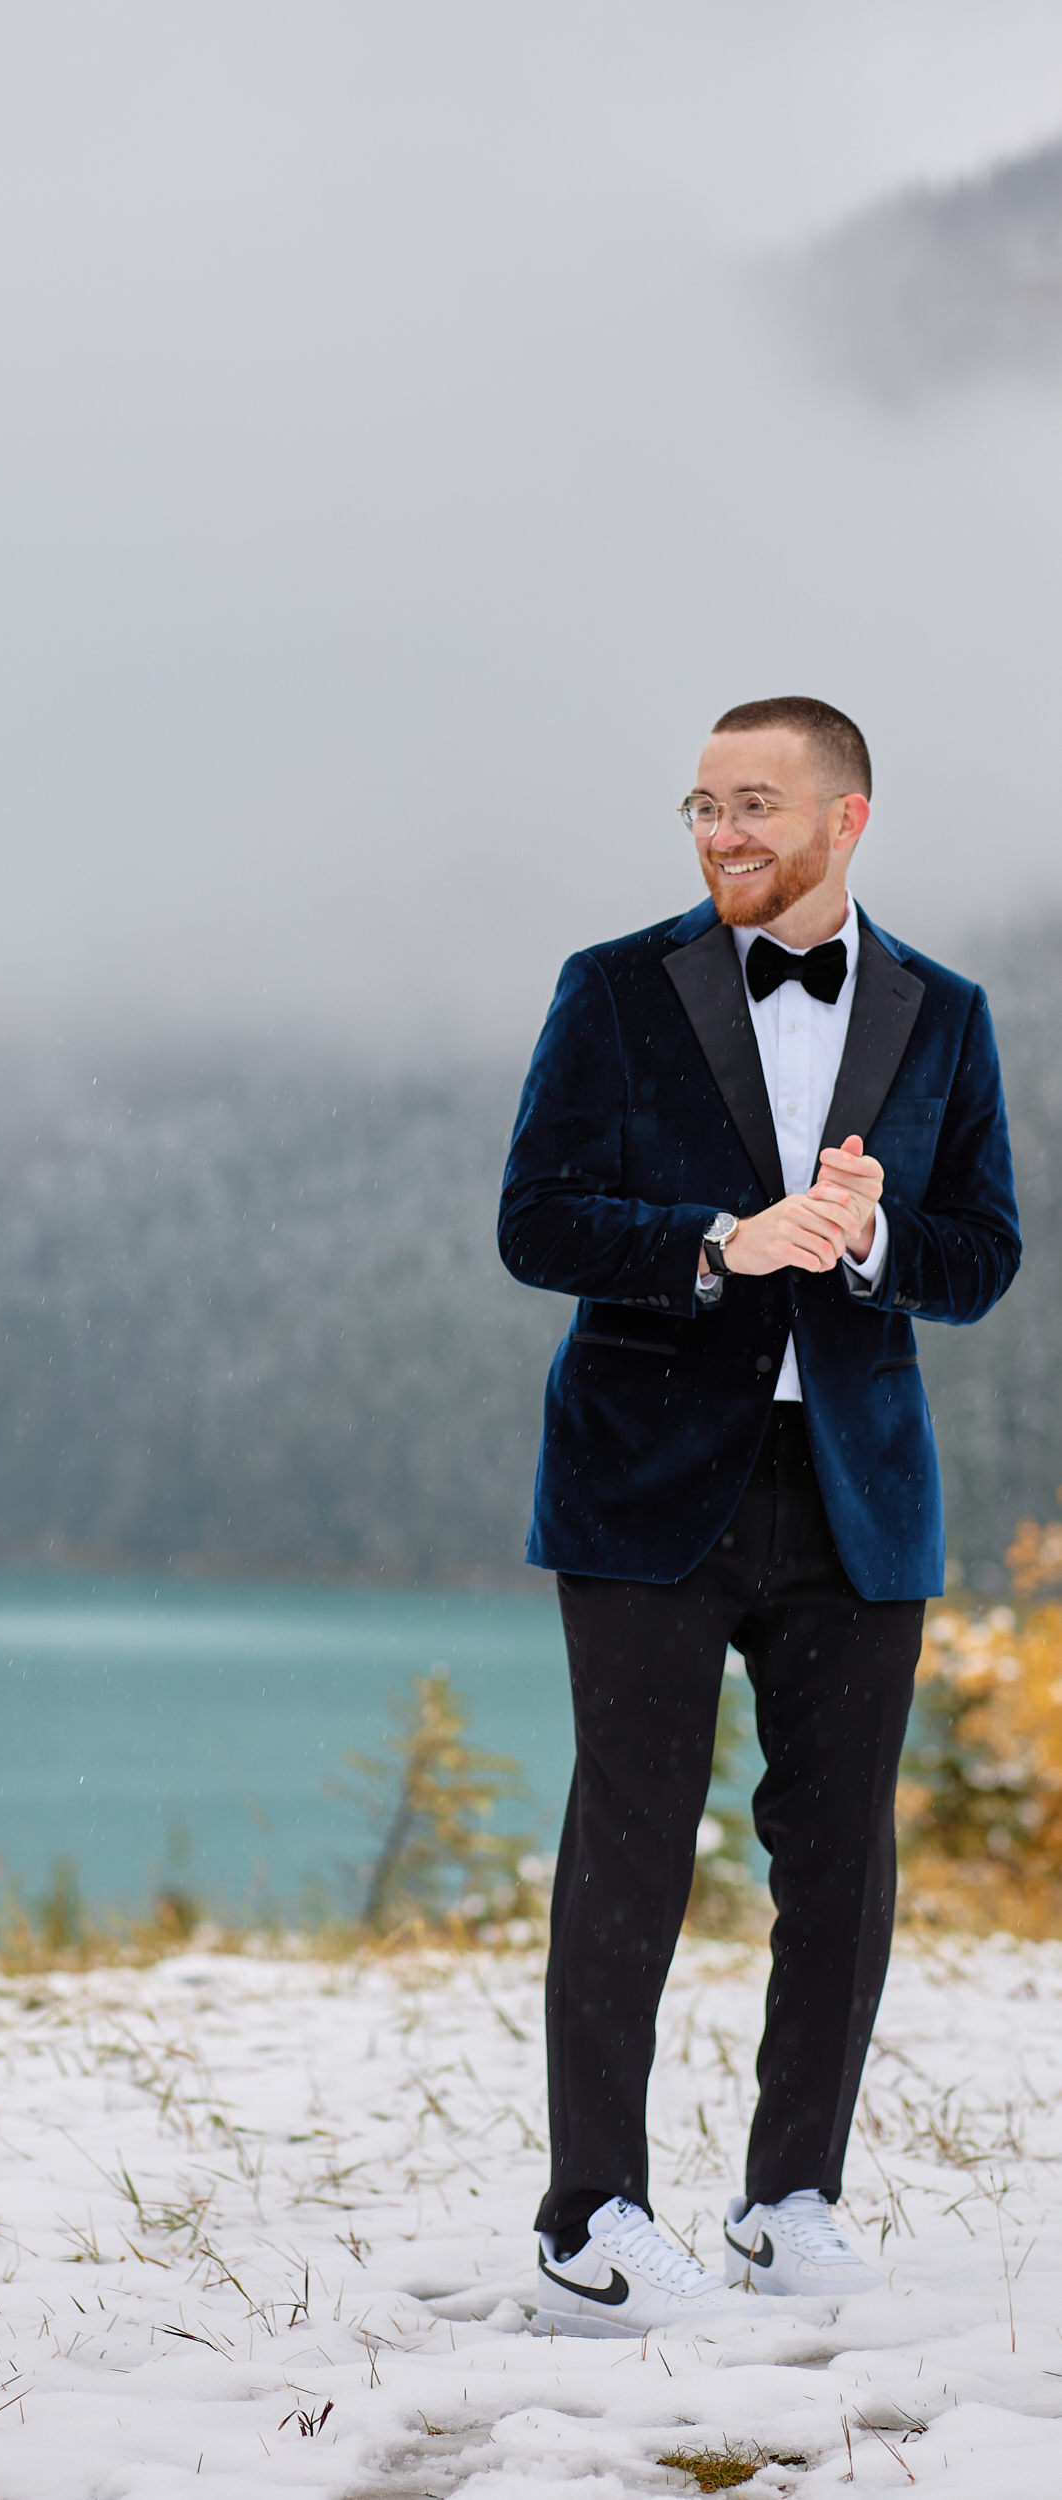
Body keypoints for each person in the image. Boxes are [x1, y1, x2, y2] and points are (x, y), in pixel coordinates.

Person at [497, 696, 1020, 2337]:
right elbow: (537, 1221)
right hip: (644, 1483)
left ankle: (791, 2200)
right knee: (631, 1854)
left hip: (858, 1492)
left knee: (842, 1864)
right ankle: (594, 2220)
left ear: (846, 819)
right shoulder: (611, 988)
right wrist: (726, 1240)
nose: (721, 833)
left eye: (755, 805)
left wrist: (866, 1248)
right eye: (702, 805)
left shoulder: (945, 1011)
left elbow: (986, 1254)